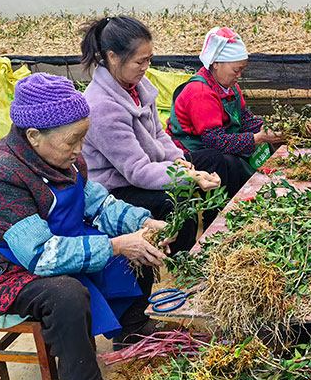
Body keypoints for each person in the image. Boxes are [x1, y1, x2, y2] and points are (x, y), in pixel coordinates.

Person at [0, 73, 170, 380]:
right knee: (65, 294)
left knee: (138, 246)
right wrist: (115, 245)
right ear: (34, 136)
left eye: (82, 138)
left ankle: (131, 327)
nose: (79, 150)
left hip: (57, 242)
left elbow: (101, 206)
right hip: (4, 269)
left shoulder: (65, 161)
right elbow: (41, 256)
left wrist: (142, 224)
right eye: (73, 140)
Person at [80, 16, 221, 253]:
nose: (146, 67)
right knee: (177, 202)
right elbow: (137, 171)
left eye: (149, 59)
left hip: (149, 167)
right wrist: (188, 177)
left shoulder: (138, 86)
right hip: (118, 185)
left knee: (216, 160)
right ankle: (181, 259)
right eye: (140, 61)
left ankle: (212, 232)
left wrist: (180, 162)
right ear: (113, 57)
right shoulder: (102, 107)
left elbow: (158, 134)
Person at [167, 27, 282, 196]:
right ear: (216, 63)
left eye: (242, 69)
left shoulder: (230, 87)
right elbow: (214, 141)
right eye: (236, 70)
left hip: (216, 143)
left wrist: (266, 128)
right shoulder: (200, 92)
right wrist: (257, 138)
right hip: (191, 153)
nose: (239, 76)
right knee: (229, 162)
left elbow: (244, 118)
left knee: (265, 145)